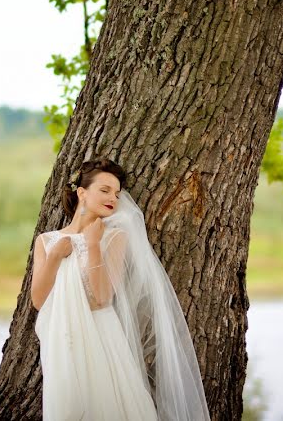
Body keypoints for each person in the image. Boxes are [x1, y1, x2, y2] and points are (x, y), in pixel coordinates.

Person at [31, 158, 210, 420]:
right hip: (61, 337)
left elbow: (102, 297)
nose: (112, 198)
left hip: (101, 339)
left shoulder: (114, 237)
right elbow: (38, 301)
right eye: (104, 190)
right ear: (82, 192)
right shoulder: (47, 241)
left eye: (116, 193)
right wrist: (56, 255)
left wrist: (92, 246)